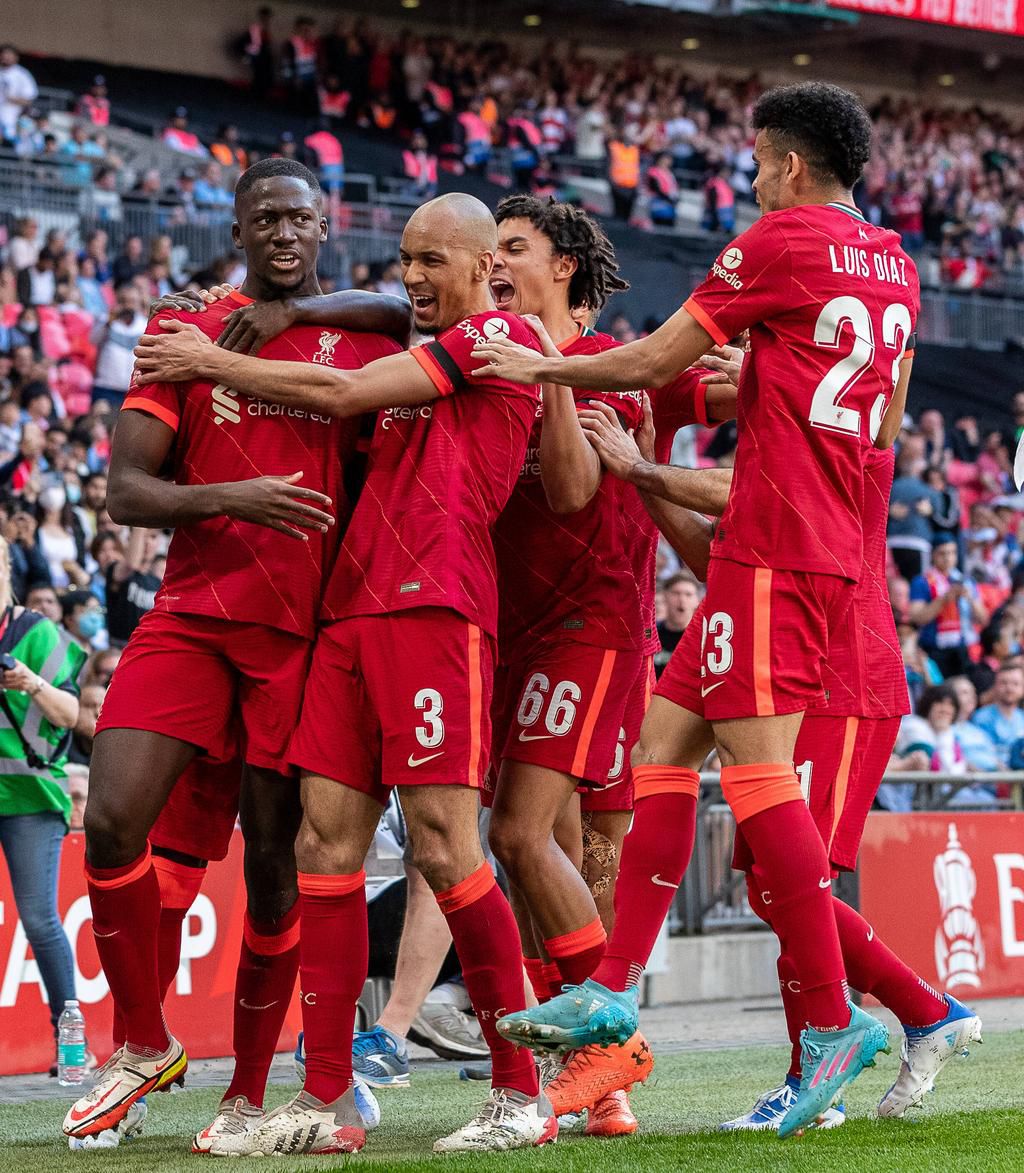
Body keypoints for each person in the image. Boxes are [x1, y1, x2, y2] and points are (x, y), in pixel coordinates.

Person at [472, 81, 920, 1136]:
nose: (751, 177)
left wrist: (540, 362)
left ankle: (831, 1027)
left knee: (762, 788)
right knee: (666, 747)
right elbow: (885, 414)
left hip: (780, 536)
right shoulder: (894, 262)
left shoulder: (774, 241)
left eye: (759, 160)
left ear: (789, 166)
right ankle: (615, 985)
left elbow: (652, 359)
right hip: (814, 532)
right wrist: (768, 368)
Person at [131, 192, 554, 1155]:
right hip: (350, 615)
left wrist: (209, 356)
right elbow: (358, 319)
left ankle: (518, 1092)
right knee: (325, 851)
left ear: (483, 265)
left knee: (447, 846)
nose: (412, 277)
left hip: (439, 611)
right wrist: (283, 311)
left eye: (431, 261)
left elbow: (340, 395)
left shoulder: (493, 337)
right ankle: (323, 1100)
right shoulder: (416, 334)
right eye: (404, 258)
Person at [61, 158, 410, 1148]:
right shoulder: (184, 328)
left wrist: (303, 315)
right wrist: (231, 498)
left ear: (323, 224)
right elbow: (127, 492)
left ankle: (248, 1094)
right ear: (241, 225)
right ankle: (140, 1041)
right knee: (116, 818)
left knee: (273, 871)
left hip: (299, 640)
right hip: (192, 616)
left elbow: (407, 311)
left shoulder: (357, 334)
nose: (287, 234)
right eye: (268, 219)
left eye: (302, 218)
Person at [0, 535, 86, 1067]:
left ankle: (69, 1034)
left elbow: (71, 715)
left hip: (30, 795)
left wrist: (29, 682)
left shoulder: (37, 633)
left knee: (38, 918)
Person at [909, 534, 988, 678]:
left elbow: (982, 619)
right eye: (942, 553)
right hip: (934, 650)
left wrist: (970, 598)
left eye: (952, 553)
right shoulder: (922, 582)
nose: (948, 558)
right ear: (933, 555)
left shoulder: (966, 581)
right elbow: (917, 618)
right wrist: (944, 599)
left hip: (961, 649)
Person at [91, 285, 151, 409]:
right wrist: (109, 321)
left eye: (132, 301)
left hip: (133, 389)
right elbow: (93, 339)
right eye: (124, 301)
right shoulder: (106, 320)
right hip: (106, 386)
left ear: (139, 304)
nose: (128, 305)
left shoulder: (145, 325)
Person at [105, 528, 162, 647]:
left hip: (146, 648)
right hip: (119, 649)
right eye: (143, 537)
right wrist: (139, 528)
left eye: (153, 537)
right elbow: (131, 565)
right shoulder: (116, 569)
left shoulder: (158, 582)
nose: (147, 542)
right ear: (130, 539)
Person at [971, 662, 1024, 768]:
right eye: (1004, 683)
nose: (1009, 688)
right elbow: (981, 753)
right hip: (991, 779)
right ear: (995, 686)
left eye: (1015, 684)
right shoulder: (981, 717)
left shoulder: (1022, 717)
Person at [655, 571, 700, 674]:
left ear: (697, 600)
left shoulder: (702, 639)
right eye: (676, 593)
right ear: (665, 596)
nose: (682, 599)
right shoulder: (652, 634)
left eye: (688, 594)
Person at [0, 45, 38, 145]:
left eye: (9, 54)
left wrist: (11, 99)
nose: (6, 57)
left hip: (11, 118)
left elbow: (29, 98)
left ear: (16, 57)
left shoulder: (22, 74)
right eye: (4, 54)